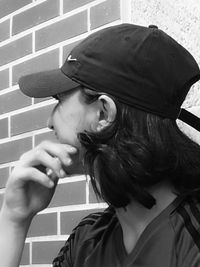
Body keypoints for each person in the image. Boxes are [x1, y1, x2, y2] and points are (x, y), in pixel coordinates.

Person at [0, 23, 200, 267]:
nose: (49, 122)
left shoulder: (192, 242)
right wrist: (14, 220)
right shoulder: (86, 241)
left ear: (104, 113)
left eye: (59, 99)